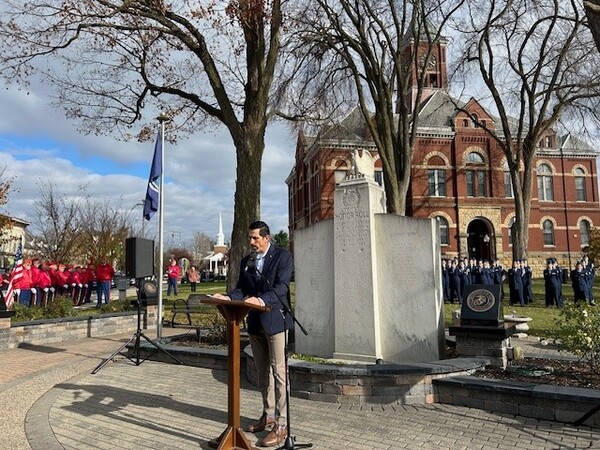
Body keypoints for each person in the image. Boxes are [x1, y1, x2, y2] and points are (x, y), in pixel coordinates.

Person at [213, 220, 293, 447]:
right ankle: (268, 414)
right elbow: (242, 289)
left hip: (275, 321)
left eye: (255, 238)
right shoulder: (247, 261)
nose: (251, 242)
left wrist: (260, 299)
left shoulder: (282, 257)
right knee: (261, 373)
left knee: (279, 373)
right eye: (250, 238)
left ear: (266, 238)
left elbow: (281, 288)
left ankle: (282, 424)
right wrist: (228, 298)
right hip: (256, 322)